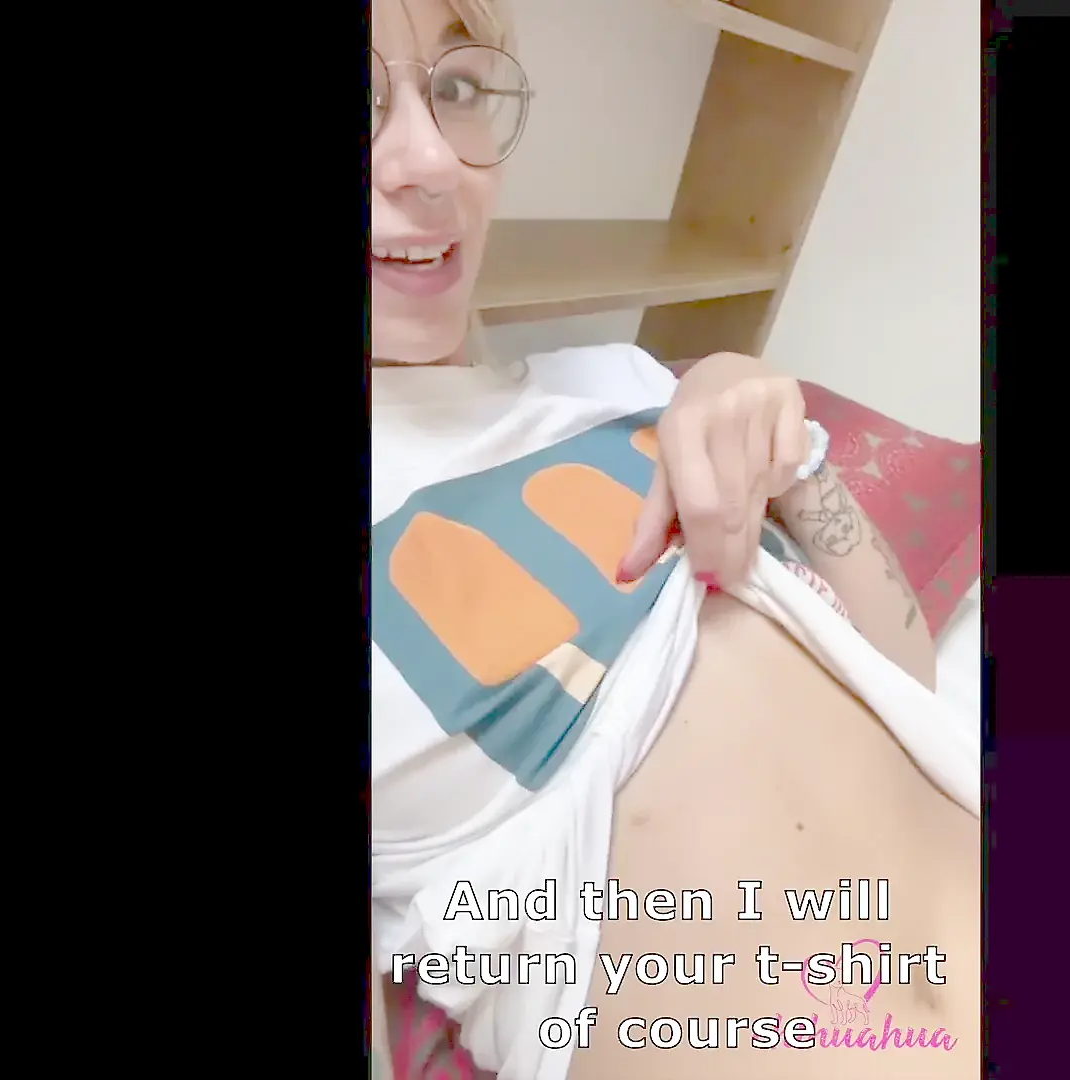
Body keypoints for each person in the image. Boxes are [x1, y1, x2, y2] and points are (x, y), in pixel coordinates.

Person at [368, 2, 981, 1078]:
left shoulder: (619, 379)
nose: (430, 160)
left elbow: (904, 676)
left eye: (455, 87)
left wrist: (788, 449)